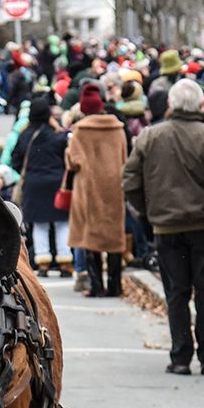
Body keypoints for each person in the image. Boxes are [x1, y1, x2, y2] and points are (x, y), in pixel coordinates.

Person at [123, 78, 204, 375]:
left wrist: (147, 214)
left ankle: (180, 356)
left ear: (171, 104)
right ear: (201, 104)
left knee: (176, 292)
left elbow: (130, 181)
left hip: (167, 227)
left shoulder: (150, 137)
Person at [64, 82, 129, 296]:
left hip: (88, 189)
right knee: (114, 237)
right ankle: (115, 285)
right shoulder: (117, 128)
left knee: (90, 238)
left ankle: (96, 286)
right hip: (114, 188)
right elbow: (124, 158)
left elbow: (73, 162)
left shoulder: (80, 131)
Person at [11, 97, 68, 275]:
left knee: (39, 225)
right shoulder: (58, 135)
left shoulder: (24, 135)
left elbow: (15, 160)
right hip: (57, 183)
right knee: (62, 223)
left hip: (33, 184)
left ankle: (43, 263)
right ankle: (65, 262)